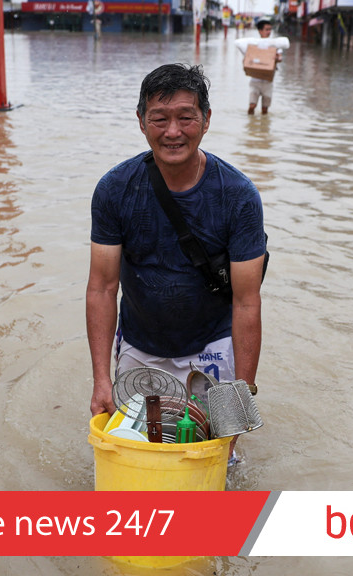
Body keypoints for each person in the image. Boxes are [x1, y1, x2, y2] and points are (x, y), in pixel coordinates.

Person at [86, 64, 268, 452]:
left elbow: (247, 300)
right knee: (138, 456)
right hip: (140, 347)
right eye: (160, 118)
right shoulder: (114, 190)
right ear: (140, 121)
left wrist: (242, 393)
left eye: (186, 117)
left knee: (217, 462)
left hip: (213, 347)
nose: (173, 132)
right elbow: (102, 287)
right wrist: (101, 379)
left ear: (205, 120)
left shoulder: (238, 196)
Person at [244, 19, 282, 115]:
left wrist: (276, 58)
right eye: (266, 29)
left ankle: (263, 128)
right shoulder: (254, 44)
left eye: (270, 29)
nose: (269, 32)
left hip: (268, 82)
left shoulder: (275, 45)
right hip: (255, 81)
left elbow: (280, 58)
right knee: (252, 106)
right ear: (260, 31)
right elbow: (247, 58)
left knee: (265, 110)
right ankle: (251, 125)